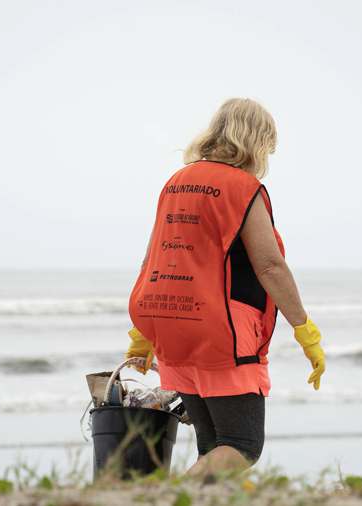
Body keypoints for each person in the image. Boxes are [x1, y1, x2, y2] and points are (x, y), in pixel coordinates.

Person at [123, 98, 327, 478]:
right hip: (219, 331)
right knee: (241, 446)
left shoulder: (176, 182)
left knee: (212, 445)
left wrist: (143, 332)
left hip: (168, 322)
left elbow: (157, 257)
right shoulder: (244, 188)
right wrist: (305, 330)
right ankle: (163, 501)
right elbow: (269, 265)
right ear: (256, 141)